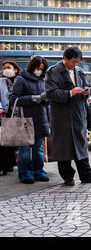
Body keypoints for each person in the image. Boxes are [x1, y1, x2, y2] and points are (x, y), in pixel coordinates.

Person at [45, 47, 91, 186]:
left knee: (81, 145)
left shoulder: (79, 71)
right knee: (63, 148)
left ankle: (86, 175)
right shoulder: (53, 71)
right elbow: (50, 93)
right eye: (73, 62)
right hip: (61, 116)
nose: (75, 64)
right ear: (65, 58)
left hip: (78, 113)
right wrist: (70, 92)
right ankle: (67, 177)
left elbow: (88, 86)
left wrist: (87, 91)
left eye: (78, 62)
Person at [10, 56, 50, 184]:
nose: (39, 71)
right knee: (25, 148)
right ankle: (25, 173)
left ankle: (39, 171)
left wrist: (45, 102)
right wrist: (33, 98)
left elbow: (47, 103)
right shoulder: (21, 79)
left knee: (38, 148)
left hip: (40, 118)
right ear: (32, 67)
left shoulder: (43, 80)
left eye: (42, 69)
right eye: (37, 68)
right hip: (25, 118)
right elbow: (14, 99)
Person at [0, 60, 20, 175]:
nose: (6, 69)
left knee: (14, 139)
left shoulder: (19, 81)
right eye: (5, 67)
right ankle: (5, 165)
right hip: (4, 113)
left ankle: (12, 162)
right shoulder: (1, 81)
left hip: (16, 113)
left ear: (15, 70)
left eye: (9, 67)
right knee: (4, 139)